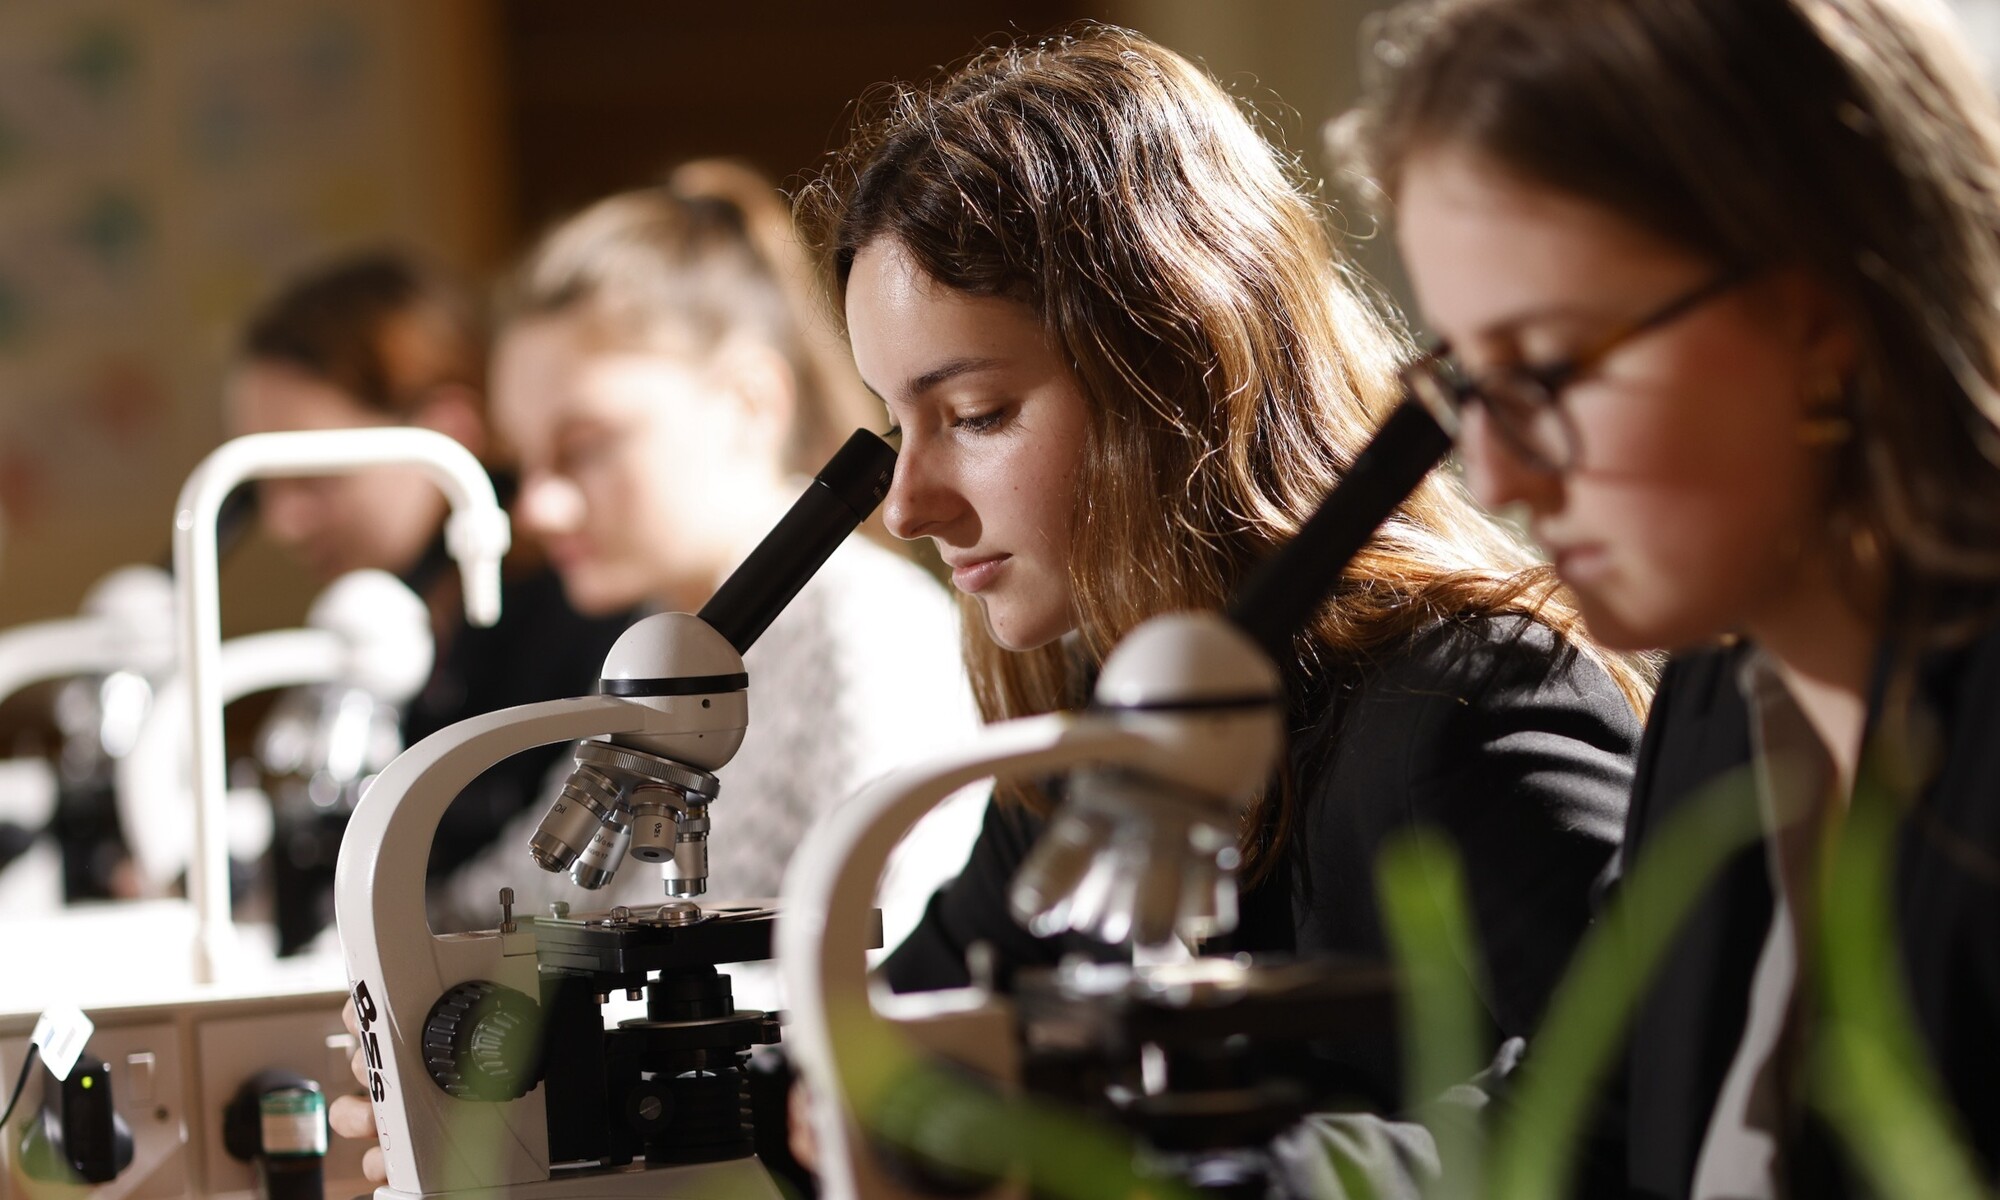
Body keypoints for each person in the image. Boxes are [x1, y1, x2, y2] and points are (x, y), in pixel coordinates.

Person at [794, 22, 1646, 1170]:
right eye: (899, 426)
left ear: (1173, 371)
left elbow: (1643, 1112)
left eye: (978, 415)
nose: (907, 506)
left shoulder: (1464, 709)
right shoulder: (1108, 727)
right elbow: (895, 1041)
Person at [1349, 0, 2000, 1193]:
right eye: (1469, 382)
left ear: (1817, 322)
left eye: (1542, 366)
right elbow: (1587, 1120)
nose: (1491, 472)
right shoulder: (1722, 692)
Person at [330, 162, 986, 1187]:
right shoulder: (662, 650)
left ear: (744, 402)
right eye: (525, 463)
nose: (538, 509)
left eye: (581, 448)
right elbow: (515, 894)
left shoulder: (871, 635)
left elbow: (887, 980)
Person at [225, 253, 633, 948]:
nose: (283, 521)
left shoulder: (581, 616)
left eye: (314, 476)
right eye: (264, 484)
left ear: (445, 431)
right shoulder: (382, 631)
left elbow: (549, 882)